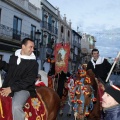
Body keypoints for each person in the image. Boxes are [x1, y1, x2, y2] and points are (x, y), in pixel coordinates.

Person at [0, 38, 38, 120]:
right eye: (30, 47)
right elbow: (11, 70)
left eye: (33, 47)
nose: (32, 49)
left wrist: (12, 88)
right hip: (9, 85)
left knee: (16, 106)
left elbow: (29, 80)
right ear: (23, 46)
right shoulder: (14, 57)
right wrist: (2, 64)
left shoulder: (34, 63)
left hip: (24, 89)